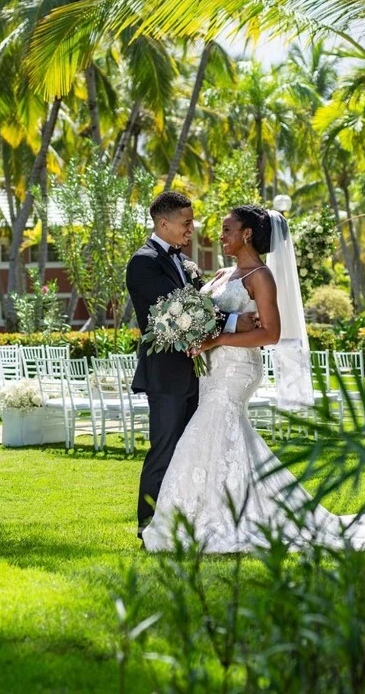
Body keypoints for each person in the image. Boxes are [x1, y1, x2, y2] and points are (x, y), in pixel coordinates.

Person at [142, 205, 365, 553]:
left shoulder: (260, 277)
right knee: (223, 438)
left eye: (227, 229)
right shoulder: (218, 274)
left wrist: (218, 338)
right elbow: (206, 315)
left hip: (236, 371)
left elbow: (272, 333)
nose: (220, 235)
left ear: (247, 234)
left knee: (211, 429)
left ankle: (207, 518)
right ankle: (220, 511)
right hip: (211, 371)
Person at [126, 191, 258, 541]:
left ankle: (186, 517)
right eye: (186, 223)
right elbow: (173, 311)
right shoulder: (143, 262)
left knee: (190, 451)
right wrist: (232, 323)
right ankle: (148, 522)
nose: (192, 229)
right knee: (166, 447)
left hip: (200, 373)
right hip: (166, 375)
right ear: (163, 223)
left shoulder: (186, 263)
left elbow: (200, 304)